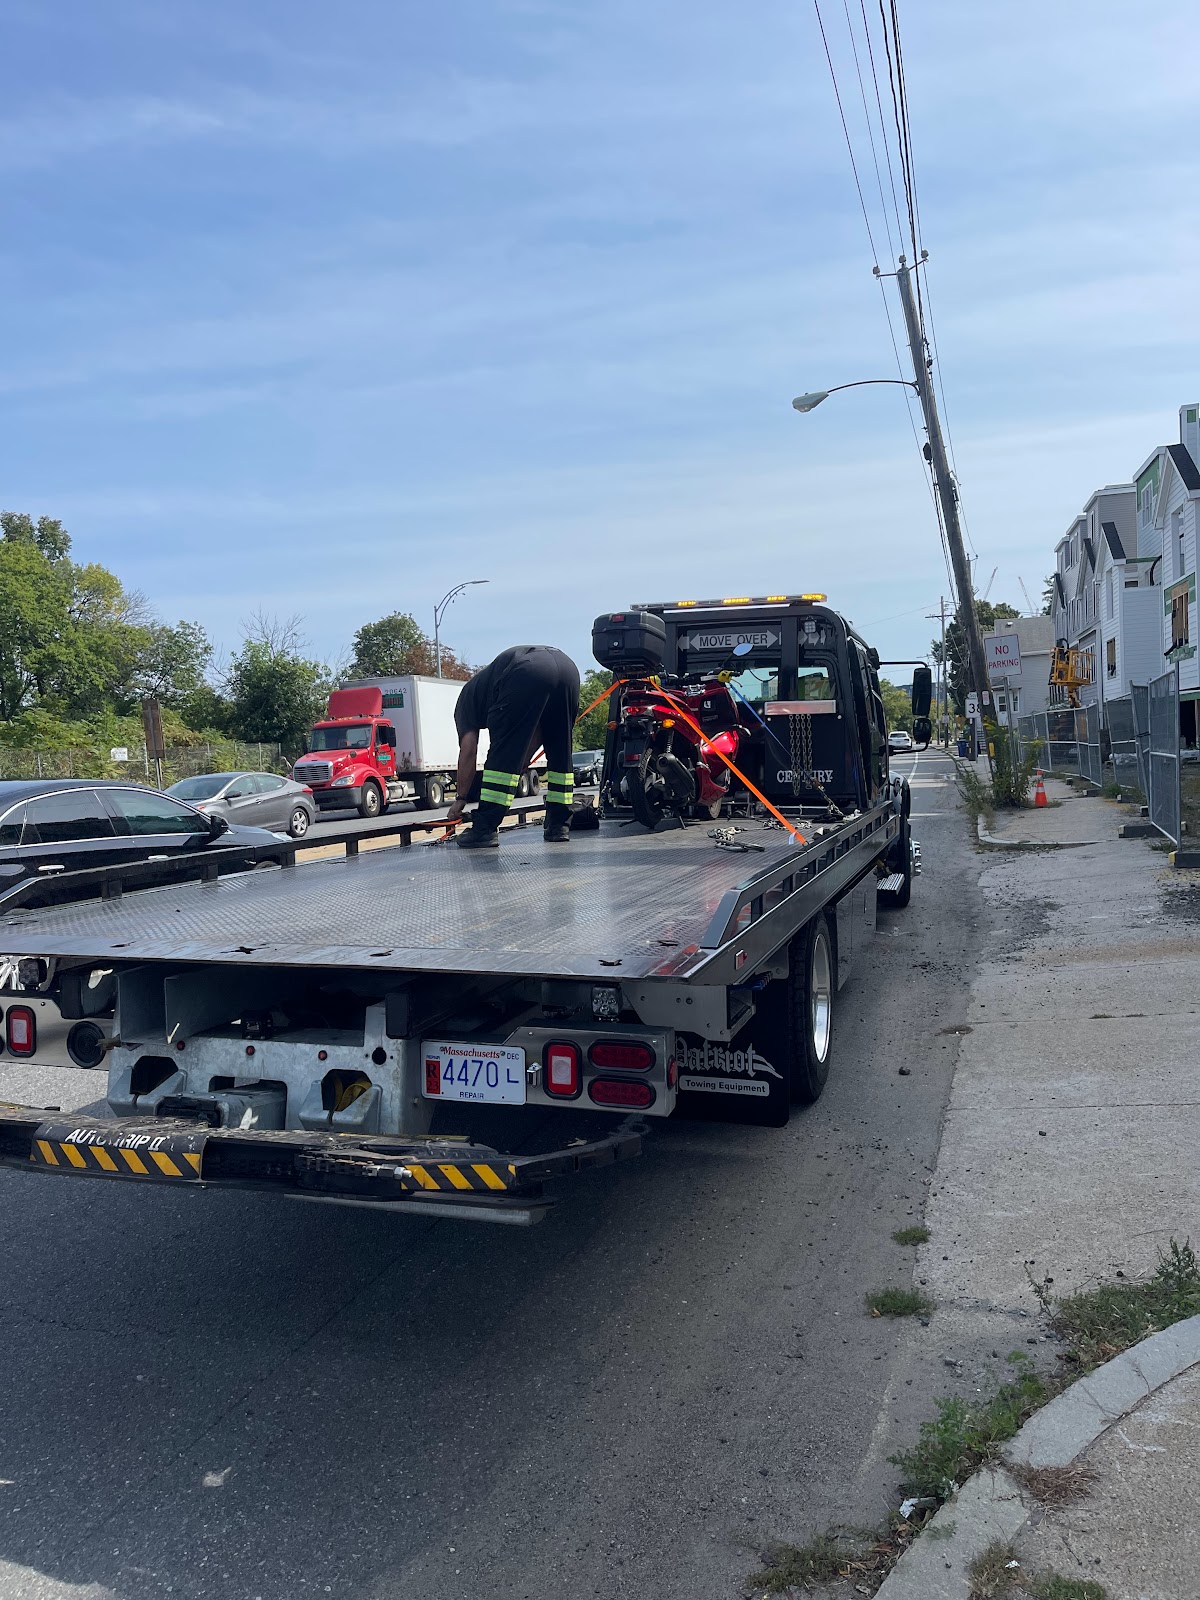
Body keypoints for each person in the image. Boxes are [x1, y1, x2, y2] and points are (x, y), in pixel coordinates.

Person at [446, 646, 581, 849]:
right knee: (560, 749)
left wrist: (461, 798)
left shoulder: (465, 703)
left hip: (527, 671)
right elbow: (538, 731)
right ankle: (558, 826)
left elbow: (468, 751)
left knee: (502, 755)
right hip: (568, 668)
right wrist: (523, 760)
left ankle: (484, 829)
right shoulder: (486, 685)